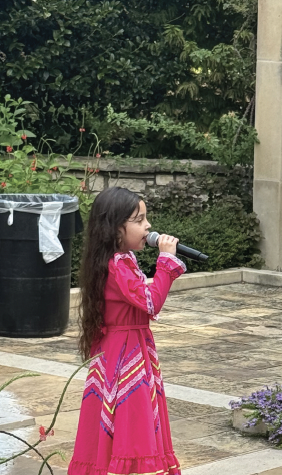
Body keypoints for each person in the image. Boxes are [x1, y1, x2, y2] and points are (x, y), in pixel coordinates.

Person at [69, 187, 186, 475]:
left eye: (146, 219)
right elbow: (150, 302)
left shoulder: (119, 260)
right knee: (131, 418)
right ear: (115, 228)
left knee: (118, 416)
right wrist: (166, 262)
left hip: (122, 346)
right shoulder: (118, 264)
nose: (148, 227)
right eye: (139, 220)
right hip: (125, 353)